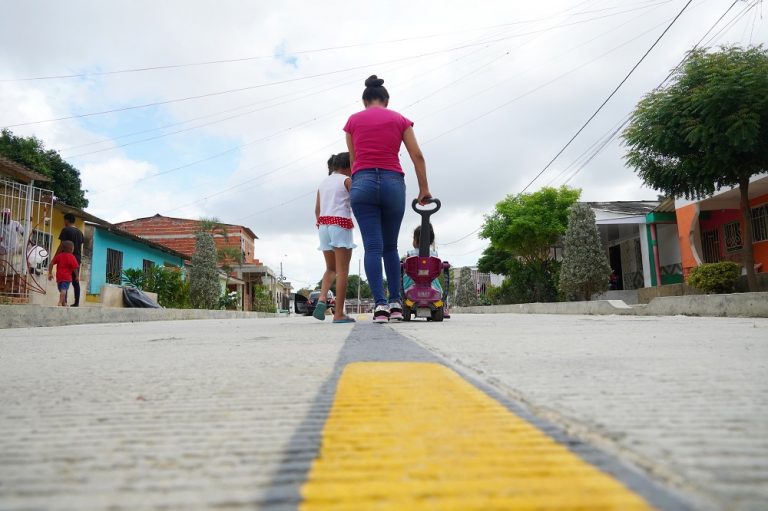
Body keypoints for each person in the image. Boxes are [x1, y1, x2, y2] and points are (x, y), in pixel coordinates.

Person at [344, 75, 431, 323]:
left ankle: (379, 306)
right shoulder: (400, 119)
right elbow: (417, 155)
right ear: (386, 100)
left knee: (372, 246)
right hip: (393, 182)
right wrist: (424, 188)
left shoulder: (352, 121)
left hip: (362, 183)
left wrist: (357, 184)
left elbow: (353, 160)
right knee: (390, 246)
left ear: (364, 101)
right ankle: (395, 303)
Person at [314, 152, 356, 323]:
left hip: (323, 225)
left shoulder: (323, 183)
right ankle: (338, 314)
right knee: (343, 271)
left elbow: (317, 210)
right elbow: (356, 202)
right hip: (340, 224)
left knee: (330, 268)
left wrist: (324, 223)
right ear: (348, 166)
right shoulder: (347, 181)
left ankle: (322, 298)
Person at [402, 223, 443, 296]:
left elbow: (405, 269)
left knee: (403, 286)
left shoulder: (410, 254)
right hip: (431, 282)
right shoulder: (434, 255)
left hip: (412, 282)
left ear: (416, 240)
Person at [56, 213, 84, 306]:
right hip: (77, 258)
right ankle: (76, 303)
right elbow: (80, 246)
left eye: (64, 220)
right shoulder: (80, 232)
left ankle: (64, 302)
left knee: (65, 279)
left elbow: (62, 245)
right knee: (76, 281)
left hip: (66, 258)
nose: (64, 222)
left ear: (67, 220)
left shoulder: (65, 230)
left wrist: (56, 256)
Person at [48, 240, 79, 307]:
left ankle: (64, 303)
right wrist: (77, 276)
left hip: (59, 277)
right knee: (63, 290)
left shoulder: (59, 256)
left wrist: (50, 273)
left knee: (61, 290)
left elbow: (51, 263)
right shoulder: (72, 257)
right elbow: (75, 268)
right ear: (71, 249)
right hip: (67, 277)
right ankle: (60, 302)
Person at [0, 207, 25, 272]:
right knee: (4, 266)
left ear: (10, 215)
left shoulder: (15, 223)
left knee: (12, 265)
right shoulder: (1, 225)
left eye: (7, 215)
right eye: (4, 215)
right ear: (2, 216)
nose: (6, 217)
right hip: (4, 248)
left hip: (15, 247)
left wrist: (28, 241)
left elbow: (23, 232)